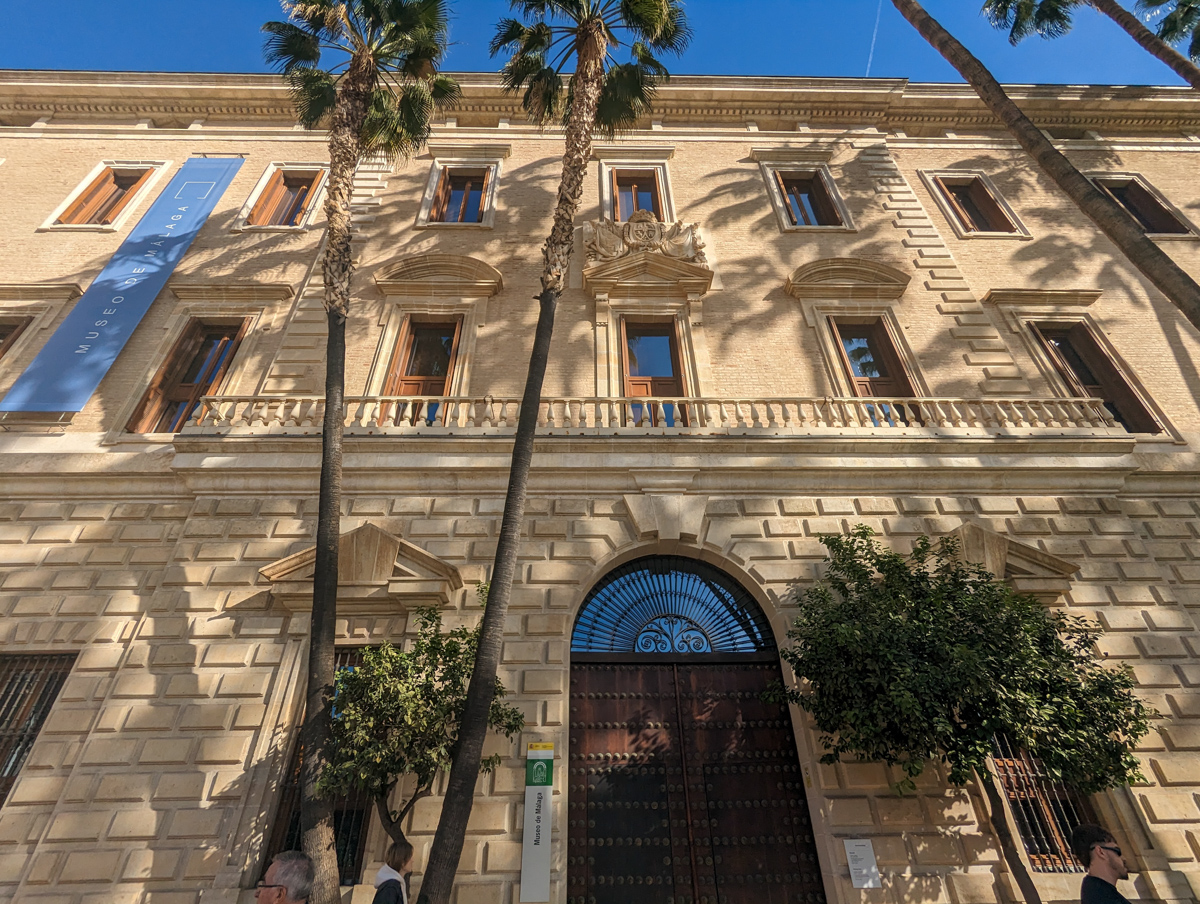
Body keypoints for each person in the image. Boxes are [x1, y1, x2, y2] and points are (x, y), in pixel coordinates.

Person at [1070, 824, 1132, 904]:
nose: (1124, 858)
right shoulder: (1102, 897)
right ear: (1100, 852)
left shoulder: (1096, 892)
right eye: (1118, 852)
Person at [372, 839, 415, 904]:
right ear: (402, 861)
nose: (412, 860)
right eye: (410, 857)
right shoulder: (391, 887)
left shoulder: (395, 884)